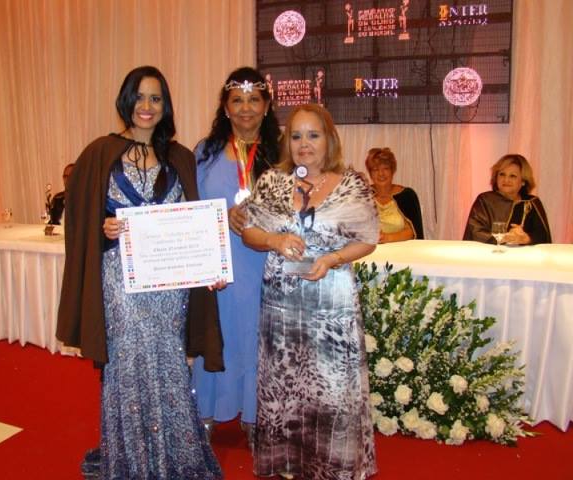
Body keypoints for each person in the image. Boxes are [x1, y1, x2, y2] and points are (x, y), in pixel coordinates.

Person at [55, 65, 223, 479]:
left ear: (165, 106)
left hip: (169, 285)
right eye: (140, 97)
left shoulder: (180, 157)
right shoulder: (99, 153)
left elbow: (193, 222)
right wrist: (104, 229)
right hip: (120, 281)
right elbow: (79, 221)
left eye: (156, 98)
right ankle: (130, 459)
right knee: (127, 363)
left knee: (169, 360)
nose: (147, 106)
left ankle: (175, 457)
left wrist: (210, 266)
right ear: (126, 101)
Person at [242, 104, 378, 480]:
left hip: (332, 303)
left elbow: (369, 239)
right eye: (297, 136)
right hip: (282, 303)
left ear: (329, 139)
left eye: (313, 135)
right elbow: (249, 231)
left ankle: (334, 466)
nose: (304, 144)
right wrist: (274, 239)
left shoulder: (351, 184)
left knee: (332, 388)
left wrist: (332, 258)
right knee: (284, 385)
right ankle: (288, 463)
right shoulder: (271, 181)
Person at [192, 66, 281, 445]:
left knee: (259, 336)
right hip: (219, 265)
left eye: (254, 100)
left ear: (266, 106)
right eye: (237, 100)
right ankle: (207, 409)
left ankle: (256, 413)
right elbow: (188, 208)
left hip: (265, 263)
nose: (246, 108)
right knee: (219, 333)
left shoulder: (282, 153)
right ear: (225, 107)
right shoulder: (205, 152)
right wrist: (220, 216)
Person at [463, 153, 551, 244]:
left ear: (523, 181)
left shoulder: (532, 202)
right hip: (491, 252)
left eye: (512, 176)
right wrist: (505, 238)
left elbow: (543, 236)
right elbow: (475, 232)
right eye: (502, 174)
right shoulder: (485, 200)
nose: (506, 180)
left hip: (524, 253)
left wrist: (526, 238)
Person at [365, 147, 424, 242]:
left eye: (386, 169)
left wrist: (386, 238)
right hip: (369, 250)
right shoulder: (362, 195)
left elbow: (413, 232)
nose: (381, 174)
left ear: (392, 171)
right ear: (370, 174)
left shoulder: (407, 196)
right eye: (375, 170)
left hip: (402, 250)